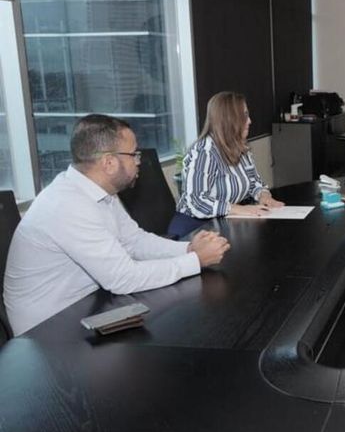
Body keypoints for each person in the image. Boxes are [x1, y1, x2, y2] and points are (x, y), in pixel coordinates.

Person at [4, 114, 230, 335]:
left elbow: (133, 241)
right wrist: (195, 260)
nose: (139, 161)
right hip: (48, 332)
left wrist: (187, 249)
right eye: (134, 154)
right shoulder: (67, 204)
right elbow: (123, 278)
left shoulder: (100, 191)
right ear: (109, 162)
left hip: (89, 305)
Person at [170, 92, 283, 237]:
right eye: (244, 115)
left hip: (225, 221)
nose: (250, 121)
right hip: (195, 227)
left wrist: (264, 196)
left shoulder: (241, 148)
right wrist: (237, 209)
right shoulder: (205, 152)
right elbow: (197, 201)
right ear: (229, 119)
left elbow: (254, 183)